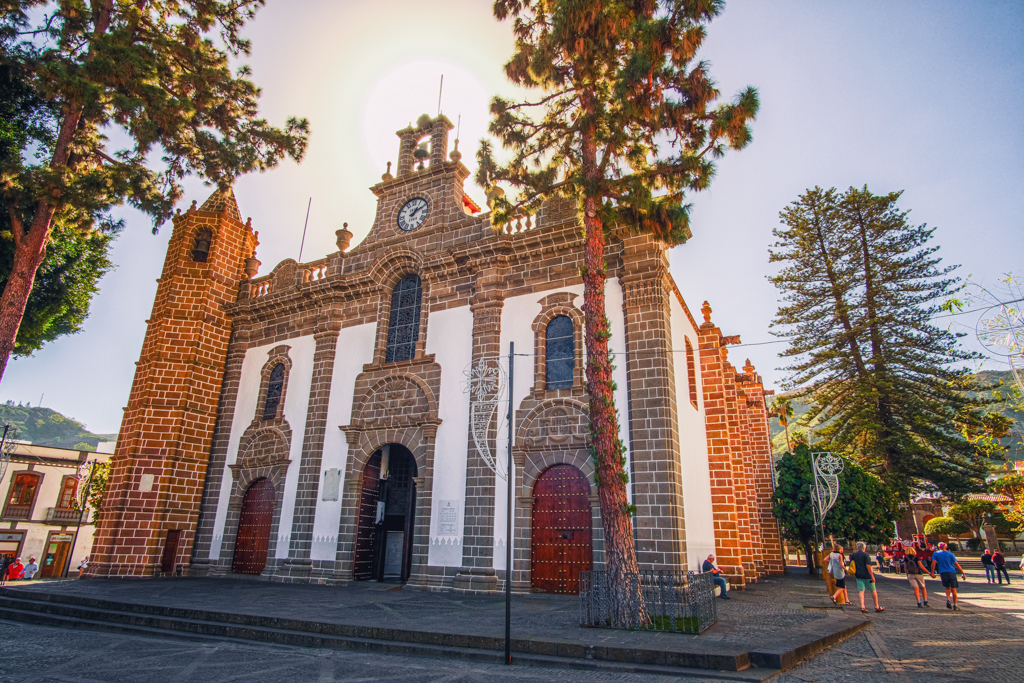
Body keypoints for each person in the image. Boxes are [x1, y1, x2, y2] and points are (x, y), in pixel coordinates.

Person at [931, 542, 967, 610]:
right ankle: (955, 605)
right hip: (951, 572)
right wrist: (963, 573)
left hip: (943, 572)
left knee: (947, 587)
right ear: (946, 547)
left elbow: (933, 564)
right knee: (954, 589)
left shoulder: (936, 554)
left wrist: (932, 572)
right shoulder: (950, 554)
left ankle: (948, 599)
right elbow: (956, 564)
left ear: (939, 547)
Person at [851, 542, 885, 613]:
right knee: (873, 590)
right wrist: (872, 576)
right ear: (864, 547)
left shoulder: (853, 555)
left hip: (858, 574)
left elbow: (852, 564)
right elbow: (868, 565)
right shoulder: (866, 555)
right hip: (867, 575)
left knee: (861, 590)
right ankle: (876, 606)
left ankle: (862, 606)